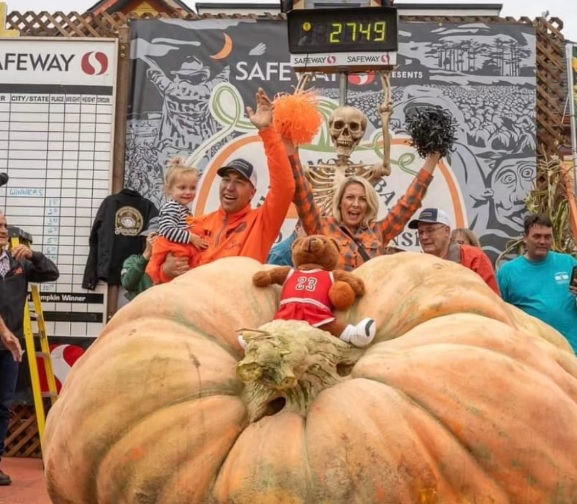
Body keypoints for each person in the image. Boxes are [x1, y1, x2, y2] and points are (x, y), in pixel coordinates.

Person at [161, 88, 294, 279]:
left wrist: (267, 131)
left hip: (238, 307)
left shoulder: (262, 223)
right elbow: (174, 273)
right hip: (201, 305)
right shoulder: (197, 224)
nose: (230, 187)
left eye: (239, 181)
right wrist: (166, 271)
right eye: (226, 179)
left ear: (252, 192)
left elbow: (285, 187)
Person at [283, 138, 441, 271]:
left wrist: (432, 159)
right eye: (350, 197)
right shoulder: (322, 227)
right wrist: (290, 151)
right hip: (335, 303)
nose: (356, 204)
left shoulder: (379, 231)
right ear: (340, 202)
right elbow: (302, 194)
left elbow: (408, 204)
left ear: (369, 205)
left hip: (369, 304)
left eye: (363, 199)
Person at [0, 212, 59, 485]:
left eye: (4, 224)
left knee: (2, 407)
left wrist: (34, 255)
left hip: (9, 349)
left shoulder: (17, 262)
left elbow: (51, 272)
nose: (4, 229)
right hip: (5, 338)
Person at [497, 214, 577, 351]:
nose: (542, 241)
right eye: (537, 236)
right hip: (535, 355)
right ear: (525, 238)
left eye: (547, 236)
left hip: (572, 352)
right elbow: (500, 315)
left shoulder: (569, 263)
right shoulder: (507, 272)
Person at [408, 208, 500, 295]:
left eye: (430, 231)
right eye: (420, 232)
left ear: (447, 231)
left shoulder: (473, 257)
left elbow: (492, 298)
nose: (424, 237)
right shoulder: (417, 265)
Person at [146, 161, 208, 284]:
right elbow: (167, 230)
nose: (188, 192)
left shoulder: (182, 208)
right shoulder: (172, 207)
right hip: (172, 247)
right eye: (182, 187)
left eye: (192, 188)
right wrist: (191, 238)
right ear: (169, 189)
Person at [121, 217, 192, 300]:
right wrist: (146, 255)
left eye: (163, 238)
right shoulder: (134, 260)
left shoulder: (178, 261)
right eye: (153, 237)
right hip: (143, 309)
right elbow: (127, 284)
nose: (158, 242)